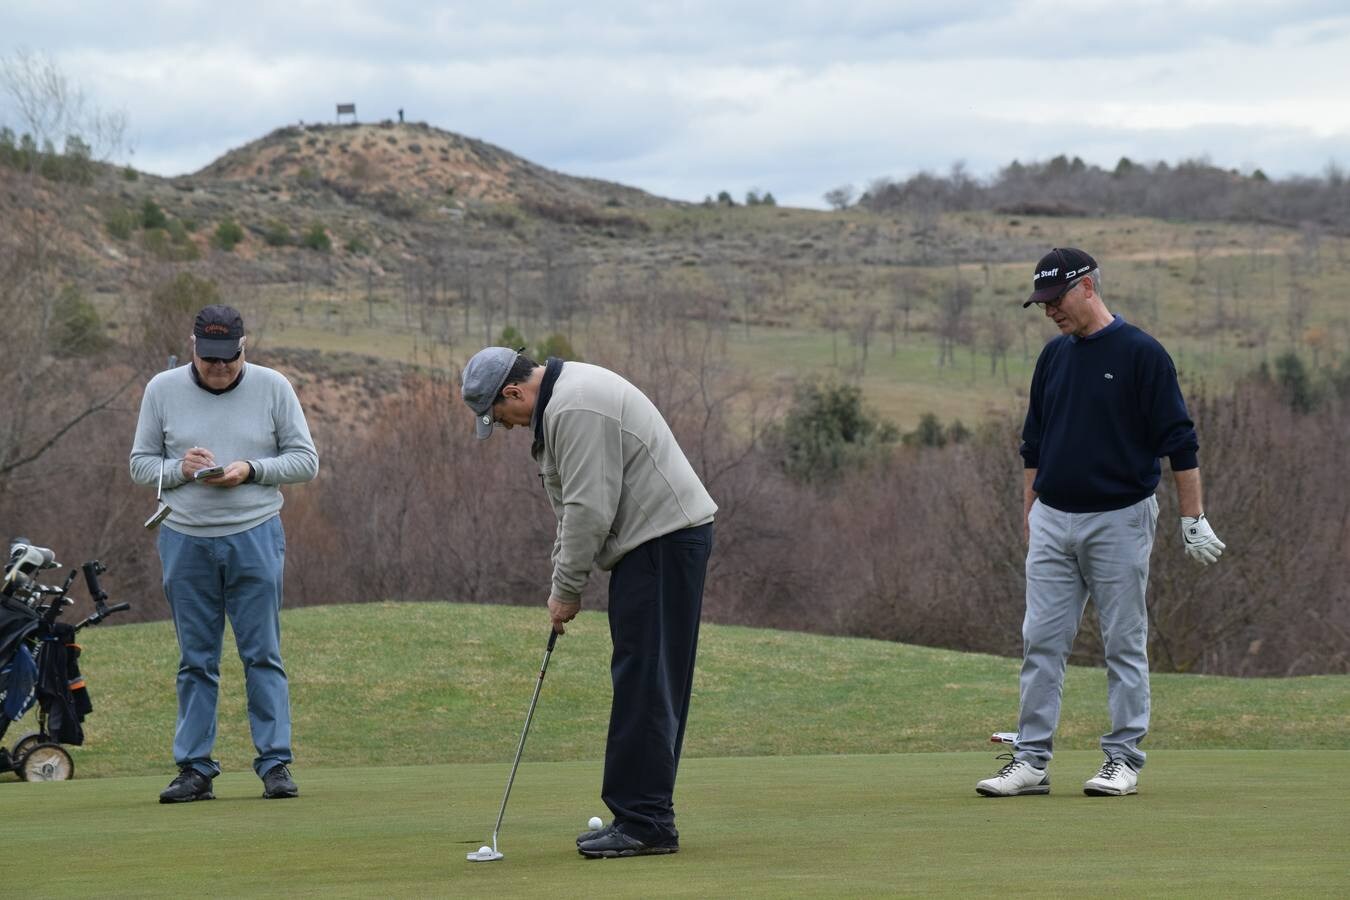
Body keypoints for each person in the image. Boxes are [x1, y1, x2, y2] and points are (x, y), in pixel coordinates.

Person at [976, 248, 1226, 799]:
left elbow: (1179, 442)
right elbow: (1033, 445)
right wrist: (1030, 511)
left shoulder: (1142, 354)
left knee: (1122, 642)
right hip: (1053, 520)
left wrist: (1193, 517)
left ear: (1087, 286)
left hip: (1120, 519)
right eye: (1041, 303)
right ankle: (1032, 761)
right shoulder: (1054, 358)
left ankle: (1122, 759)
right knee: (1040, 640)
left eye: (1056, 299)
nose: (1049, 312)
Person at [461, 347, 716, 858]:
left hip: (661, 542)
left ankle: (646, 823)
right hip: (655, 544)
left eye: (499, 416)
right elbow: (572, 508)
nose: (505, 428)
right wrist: (563, 578)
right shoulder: (563, 399)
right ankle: (641, 815)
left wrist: (566, 590)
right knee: (644, 678)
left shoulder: (573, 407)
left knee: (645, 680)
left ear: (514, 392)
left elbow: (588, 510)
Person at [130, 305, 319, 803]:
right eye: (210, 359)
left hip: (255, 534)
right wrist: (178, 468)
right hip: (184, 539)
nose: (219, 369)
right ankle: (195, 769)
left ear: (244, 348)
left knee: (262, 654)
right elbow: (140, 465)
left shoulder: (273, 386)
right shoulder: (162, 389)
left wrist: (251, 470)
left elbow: (305, 461)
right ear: (193, 347)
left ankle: (275, 764)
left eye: (229, 360)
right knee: (196, 659)